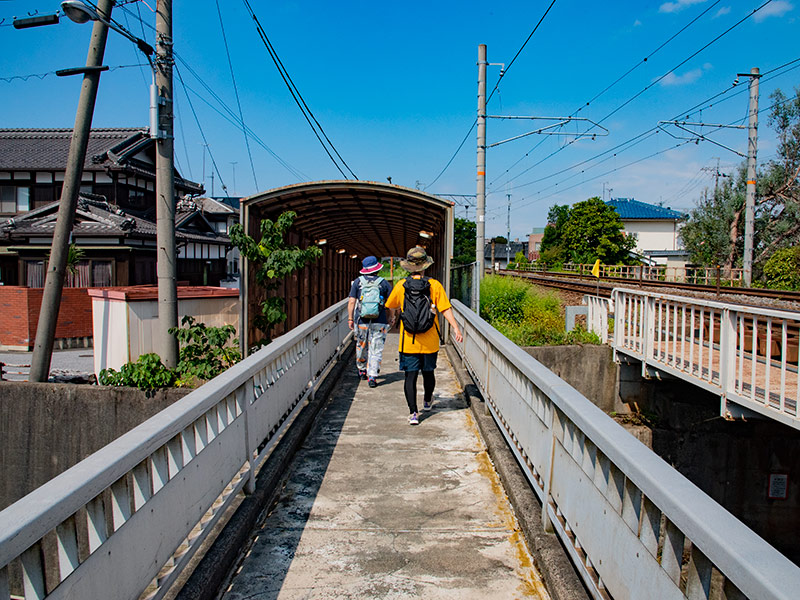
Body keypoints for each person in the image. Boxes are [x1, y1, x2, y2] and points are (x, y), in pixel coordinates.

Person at [384, 246, 463, 425]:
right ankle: (427, 401)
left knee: (410, 376)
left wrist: (393, 317)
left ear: (409, 266)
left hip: (408, 340)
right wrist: (456, 328)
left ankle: (413, 413)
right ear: (425, 266)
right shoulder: (434, 285)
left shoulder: (401, 285)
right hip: (430, 339)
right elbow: (445, 309)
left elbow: (391, 305)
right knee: (429, 373)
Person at [348, 256, 394, 388]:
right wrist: (392, 317)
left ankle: (362, 369)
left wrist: (350, 318)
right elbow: (391, 303)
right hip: (379, 320)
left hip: (361, 320)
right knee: (376, 348)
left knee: (361, 344)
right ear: (377, 268)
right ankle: (372, 376)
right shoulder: (384, 283)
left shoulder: (358, 282)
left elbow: (352, 301)